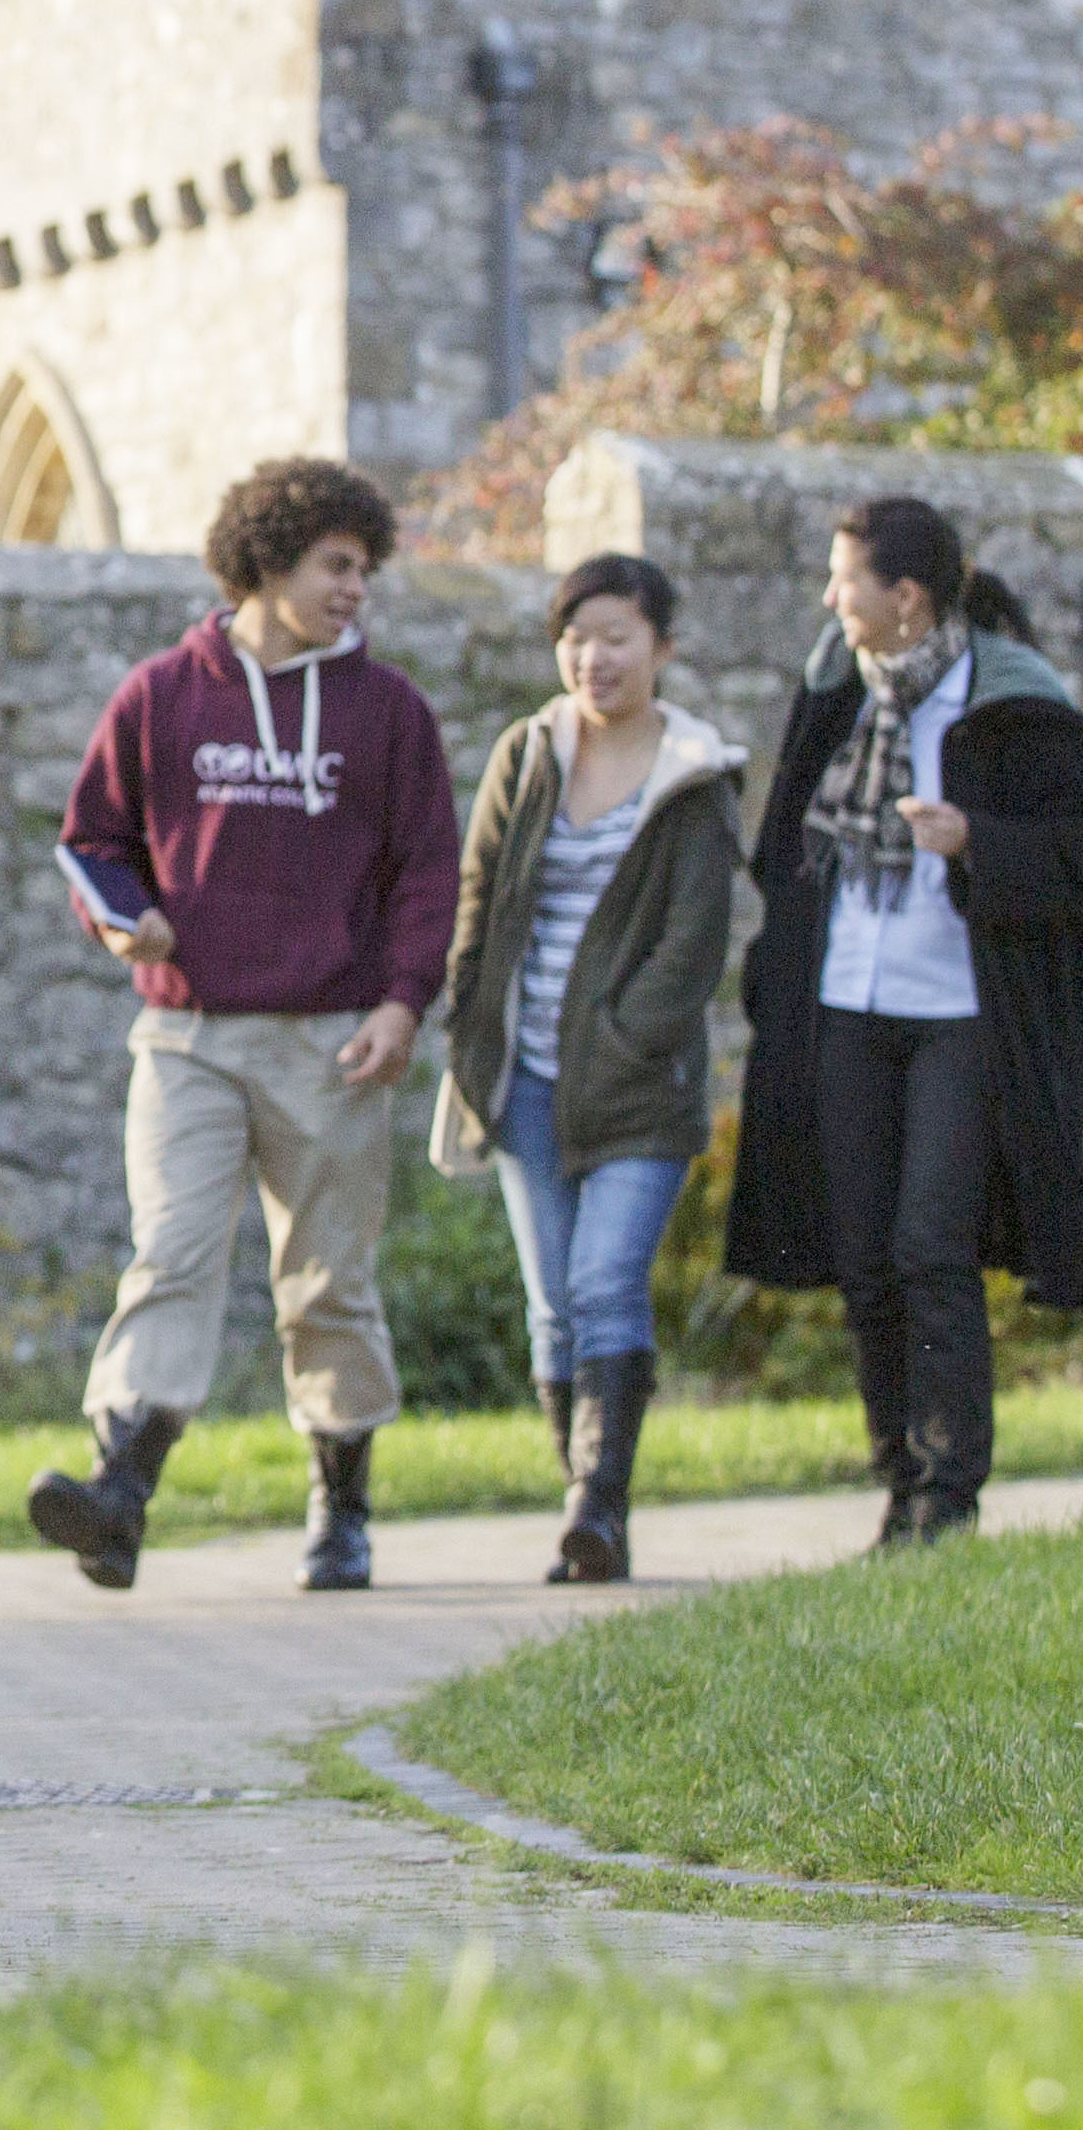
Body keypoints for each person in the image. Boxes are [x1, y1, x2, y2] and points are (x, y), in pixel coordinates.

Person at [24, 457, 458, 1596]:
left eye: (366, 569)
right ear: (270, 558)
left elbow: (427, 874)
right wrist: (125, 924)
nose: (356, 587)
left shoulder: (390, 713)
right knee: (169, 1255)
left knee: (326, 1284)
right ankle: (120, 1495)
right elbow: (92, 842)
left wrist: (405, 1001)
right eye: (337, 564)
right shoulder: (164, 693)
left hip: (334, 1041)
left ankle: (342, 1509)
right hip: (190, 1036)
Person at [719, 494, 1083, 1547]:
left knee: (928, 1245)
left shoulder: (1007, 698)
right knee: (861, 1251)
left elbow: (1080, 842)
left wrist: (973, 842)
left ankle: (952, 1494)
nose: (830, 597)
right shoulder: (835, 690)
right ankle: (899, 1484)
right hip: (846, 1007)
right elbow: (784, 849)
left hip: (960, 1015)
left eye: (845, 579)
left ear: (905, 597)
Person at [432, 552, 743, 1586]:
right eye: (576, 636)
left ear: (661, 646)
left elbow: (695, 943)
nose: (593, 657)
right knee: (554, 1303)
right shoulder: (528, 754)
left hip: (637, 1085)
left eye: (616, 636)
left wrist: (618, 1040)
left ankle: (598, 1507)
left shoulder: (694, 775)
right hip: (523, 1077)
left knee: (608, 1280)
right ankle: (584, 1504)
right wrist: (471, 1024)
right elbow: (478, 893)